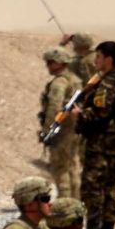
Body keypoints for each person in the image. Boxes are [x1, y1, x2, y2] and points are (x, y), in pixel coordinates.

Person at [73, 41, 115, 229]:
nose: (95, 60)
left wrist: (79, 113)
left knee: (93, 189)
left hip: (100, 147)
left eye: (98, 56)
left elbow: (100, 112)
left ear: (108, 59)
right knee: (110, 189)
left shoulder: (107, 83)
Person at [39, 46, 81, 198]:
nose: (48, 66)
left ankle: (64, 202)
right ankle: (76, 201)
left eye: (50, 62)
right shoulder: (75, 80)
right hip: (74, 130)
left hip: (63, 131)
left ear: (59, 63)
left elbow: (54, 108)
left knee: (60, 168)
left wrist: (48, 131)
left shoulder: (59, 82)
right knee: (72, 166)